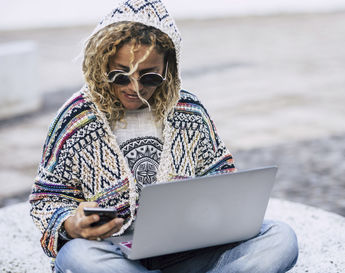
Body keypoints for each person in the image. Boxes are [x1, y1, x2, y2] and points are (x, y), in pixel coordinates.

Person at [29, 0, 298, 272]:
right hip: (113, 252)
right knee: (77, 256)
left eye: (149, 77)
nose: (134, 88)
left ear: (168, 70)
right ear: (102, 64)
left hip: (190, 249)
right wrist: (70, 224)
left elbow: (221, 178)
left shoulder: (189, 111)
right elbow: (46, 199)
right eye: (120, 75)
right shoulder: (76, 118)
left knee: (280, 237)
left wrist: (212, 217)